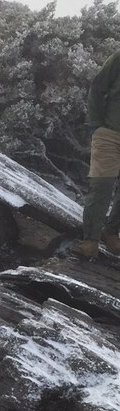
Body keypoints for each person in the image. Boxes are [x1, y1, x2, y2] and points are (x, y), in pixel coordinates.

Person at [73, 50, 120, 257]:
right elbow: (98, 86)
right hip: (109, 132)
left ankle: (111, 233)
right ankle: (90, 241)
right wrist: (96, 125)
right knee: (102, 184)